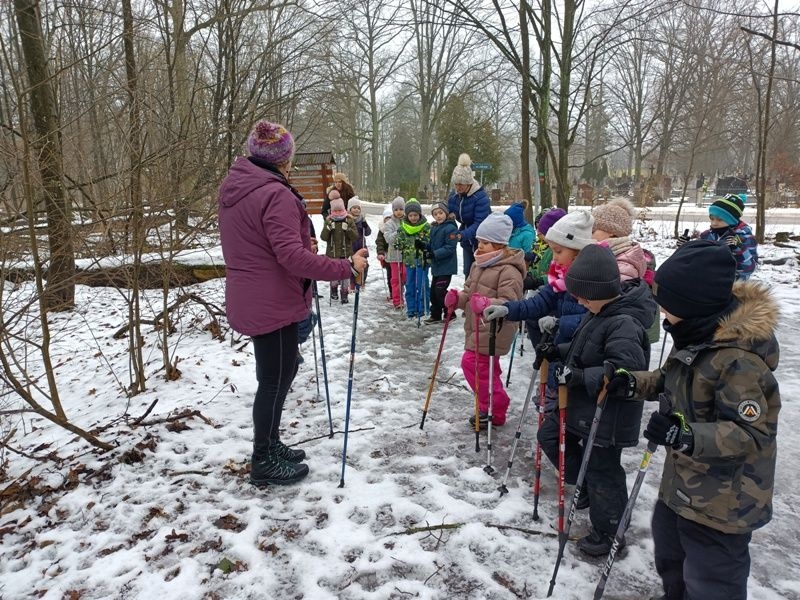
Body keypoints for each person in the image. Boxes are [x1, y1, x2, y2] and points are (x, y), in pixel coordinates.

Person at [605, 239, 780, 600]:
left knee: (711, 577)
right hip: (683, 483)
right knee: (670, 553)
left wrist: (684, 435)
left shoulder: (737, 360)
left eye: (667, 306)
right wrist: (633, 382)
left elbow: (750, 433)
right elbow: (671, 377)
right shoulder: (694, 334)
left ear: (693, 305)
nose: (661, 312)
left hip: (724, 499)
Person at [218, 119, 366, 486]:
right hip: (273, 299)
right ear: (284, 159)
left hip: (255, 294)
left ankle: (269, 443)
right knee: (274, 379)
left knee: (278, 375)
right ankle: (263, 458)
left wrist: (302, 247)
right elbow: (290, 258)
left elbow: (266, 245)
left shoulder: (241, 185)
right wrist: (345, 266)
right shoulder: (274, 193)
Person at [542, 244, 655, 556]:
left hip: (608, 414)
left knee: (604, 470)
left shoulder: (625, 322)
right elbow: (585, 348)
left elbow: (624, 369)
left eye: (582, 295)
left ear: (601, 290)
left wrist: (579, 377)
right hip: (583, 406)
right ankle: (586, 488)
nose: (577, 300)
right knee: (549, 435)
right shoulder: (599, 311)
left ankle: (609, 534)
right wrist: (558, 352)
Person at [484, 210, 595, 412]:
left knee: (566, 419)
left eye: (559, 251)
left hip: (580, 361)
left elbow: (595, 319)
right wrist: (507, 309)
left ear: (578, 251)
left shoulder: (592, 281)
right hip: (559, 353)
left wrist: (561, 323)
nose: (554, 257)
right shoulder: (561, 278)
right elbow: (539, 302)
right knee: (551, 423)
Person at [444, 213, 526, 426]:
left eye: (486, 243)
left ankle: (497, 404)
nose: (480, 246)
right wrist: (457, 299)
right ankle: (488, 409)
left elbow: (510, 303)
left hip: (494, 329)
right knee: (487, 370)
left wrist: (488, 304)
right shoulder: (478, 265)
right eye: (479, 241)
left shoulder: (509, 270)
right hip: (476, 327)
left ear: (500, 244)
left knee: (472, 363)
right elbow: (469, 294)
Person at [680, 194, 758, 281]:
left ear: (732, 220)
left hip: (733, 287)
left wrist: (739, 249)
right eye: (712, 218)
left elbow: (749, 269)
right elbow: (696, 259)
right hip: (706, 283)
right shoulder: (707, 235)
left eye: (720, 219)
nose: (714, 223)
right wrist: (685, 247)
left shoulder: (745, 238)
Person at [447, 153, 491, 276]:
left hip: (483, 240)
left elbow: (480, 223)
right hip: (467, 241)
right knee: (468, 271)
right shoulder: (454, 196)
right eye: (456, 184)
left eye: (461, 184)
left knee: (480, 273)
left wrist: (462, 235)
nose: (458, 187)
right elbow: (448, 211)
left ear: (469, 183)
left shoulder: (480, 197)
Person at [394, 198, 431, 319]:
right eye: (411, 215)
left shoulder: (426, 227)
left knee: (421, 285)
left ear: (419, 214)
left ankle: (422, 308)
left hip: (422, 261)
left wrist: (424, 245)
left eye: (416, 215)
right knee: (409, 285)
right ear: (407, 215)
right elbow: (398, 244)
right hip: (409, 261)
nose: (413, 218)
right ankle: (411, 308)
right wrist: (398, 243)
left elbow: (430, 242)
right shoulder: (403, 228)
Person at [425, 201, 459, 324]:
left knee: (440, 291)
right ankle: (436, 314)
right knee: (433, 292)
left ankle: (450, 312)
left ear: (446, 213)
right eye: (435, 214)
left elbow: (450, 248)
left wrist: (435, 254)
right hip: (436, 267)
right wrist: (425, 247)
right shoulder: (434, 227)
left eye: (440, 213)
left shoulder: (451, 228)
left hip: (446, 266)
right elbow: (432, 245)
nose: (438, 216)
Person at [320, 195, 357, 303]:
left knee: (346, 275)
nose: (338, 212)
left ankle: (344, 294)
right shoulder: (329, 221)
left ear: (344, 209)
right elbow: (323, 237)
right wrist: (328, 229)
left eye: (340, 210)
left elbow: (355, 236)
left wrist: (348, 230)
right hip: (333, 253)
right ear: (331, 210)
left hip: (346, 253)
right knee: (334, 275)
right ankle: (334, 290)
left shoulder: (349, 220)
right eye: (335, 210)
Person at [383, 196, 407, 310]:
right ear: (393, 211)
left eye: (401, 209)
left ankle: (405, 296)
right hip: (394, 256)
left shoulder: (408, 221)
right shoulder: (389, 224)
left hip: (407, 255)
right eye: (396, 209)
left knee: (405, 277)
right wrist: (398, 231)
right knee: (396, 279)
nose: (399, 212)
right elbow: (388, 239)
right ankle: (397, 300)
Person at [348, 197, 371, 290]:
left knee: (365, 265)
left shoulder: (362, 220)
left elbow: (368, 233)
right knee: (352, 266)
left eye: (358, 208)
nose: (356, 210)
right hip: (351, 247)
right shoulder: (348, 219)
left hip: (361, 246)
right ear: (350, 209)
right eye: (354, 208)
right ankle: (352, 283)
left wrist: (366, 226)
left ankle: (362, 281)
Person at [375, 205, 393, 302]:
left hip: (398, 256)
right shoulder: (382, 230)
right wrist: (380, 252)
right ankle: (392, 293)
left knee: (399, 276)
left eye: (390, 218)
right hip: (387, 256)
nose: (389, 220)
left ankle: (399, 292)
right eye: (387, 218)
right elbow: (379, 242)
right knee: (390, 276)